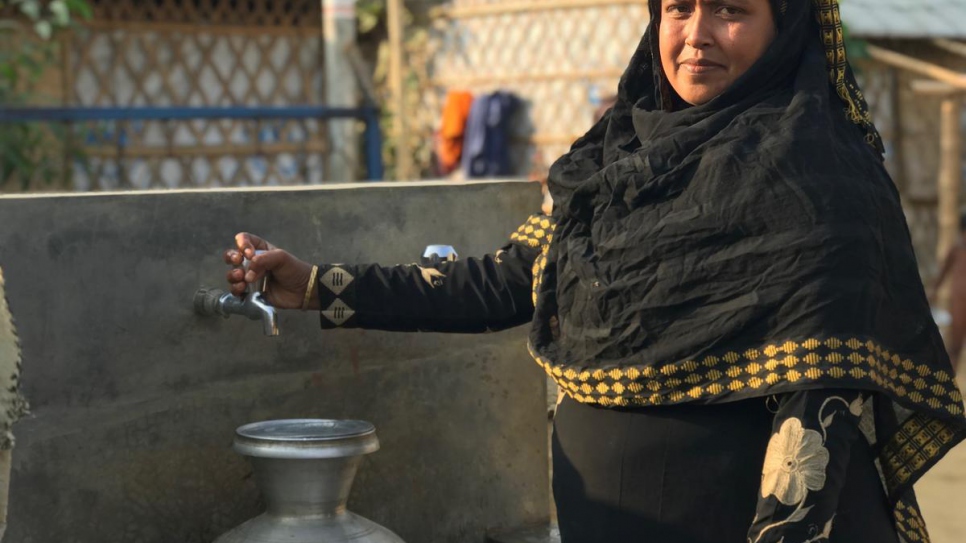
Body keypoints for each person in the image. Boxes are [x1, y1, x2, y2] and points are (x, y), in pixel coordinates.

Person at [223, 1, 966, 541]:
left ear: (787, 27)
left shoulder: (820, 180)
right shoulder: (618, 158)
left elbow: (814, 428)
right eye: (678, 9)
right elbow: (508, 277)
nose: (696, 37)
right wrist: (318, 284)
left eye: (732, 11)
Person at [932, 213, 966, 372]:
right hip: (959, 302)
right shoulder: (957, 250)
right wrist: (933, 292)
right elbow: (943, 273)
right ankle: (951, 381)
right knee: (955, 346)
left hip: (958, 300)